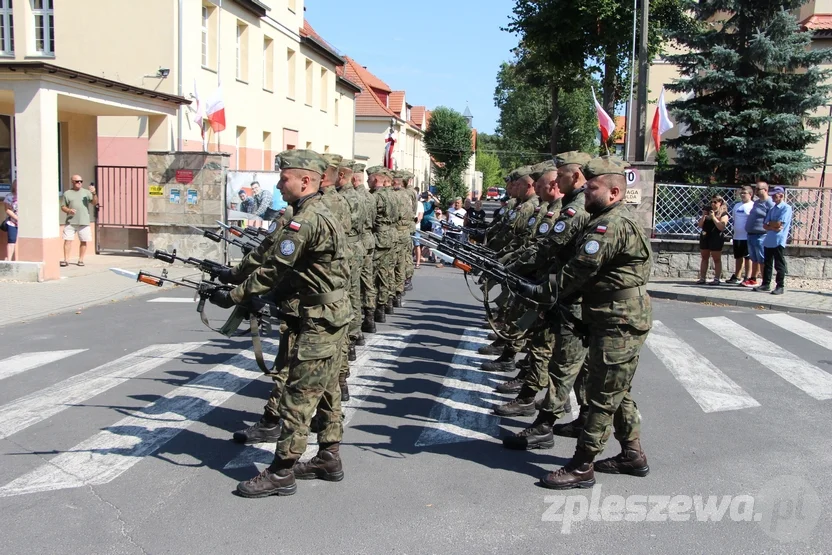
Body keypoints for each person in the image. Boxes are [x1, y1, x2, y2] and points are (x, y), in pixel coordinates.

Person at [210, 148, 350, 497]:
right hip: (331, 314)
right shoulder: (318, 210)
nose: (278, 183)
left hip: (319, 319)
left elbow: (274, 269)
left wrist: (234, 295)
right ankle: (328, 457)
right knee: (329, 389)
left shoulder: (305, 221)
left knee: (299, 395)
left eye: (284, 178)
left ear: (306, 181)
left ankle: (282, 471)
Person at [519, 155, 652, 490]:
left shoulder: (613, 224)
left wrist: (544, 290)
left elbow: (581, 268)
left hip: (619, 319)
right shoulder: (603, 218)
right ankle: (632, 454)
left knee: (601, 394)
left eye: (593, 188)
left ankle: (582, 465)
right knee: (614, 388)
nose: (587, 192)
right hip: (605, 314)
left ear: (615, 192)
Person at [757, 186, 792, 295]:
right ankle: (766, 284)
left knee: (779, 264)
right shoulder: (772, 209)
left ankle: (780, 286)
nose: (772, 197)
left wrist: (772, 224)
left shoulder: (786, 208)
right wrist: (773, 226)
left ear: (781, 195)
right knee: (767, 263)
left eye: (774, 195)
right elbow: (765, 225)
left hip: (778, 240)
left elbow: (779, 224)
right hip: (769, 240)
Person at [60, 175, 97, 267]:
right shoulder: (67, 193)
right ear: (72, 182)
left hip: (84, 221)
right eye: (77, 181)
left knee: (84, 241)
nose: (79, 183)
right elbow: (63, 206)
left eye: (81, 181)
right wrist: (69, 210)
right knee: (67, 240)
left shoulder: (86, 192)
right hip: (70, 221)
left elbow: (94, 203)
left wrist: (94, 193)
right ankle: (66, 260)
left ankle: (81, 260)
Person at [743, 181, 774, 288]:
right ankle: (753, 279)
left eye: (758, 189)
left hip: (761, 235)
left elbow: (773, 219)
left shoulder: (770, 203)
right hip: (751, 234)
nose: (756, 191)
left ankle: (765, 282)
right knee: (754, 258)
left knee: (762, 259)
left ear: (765, 190)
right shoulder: (756, 202)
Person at [696, 194, 729, 285]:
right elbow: (700, 225)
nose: (713, 204)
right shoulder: (707, 212)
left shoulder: (723, 214)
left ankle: (717, 278)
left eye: (715, 202)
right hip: (705, 236)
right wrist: (704, 216)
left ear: (720, 203)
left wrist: (714, 217)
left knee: (716, 258)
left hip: (716, 237)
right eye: (711, 202)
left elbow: (721, 227)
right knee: (704, 257)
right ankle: (702, 278)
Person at [727, 186, 754, 284]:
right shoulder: (737, 205)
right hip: (737, 236)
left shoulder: (752, 205)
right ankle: (737, 276)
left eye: (745, 193)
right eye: (741, 193)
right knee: (738, 257)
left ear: (750, 194)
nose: (742, 195)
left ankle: (747, 276)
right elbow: (734, 218)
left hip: (747, 236)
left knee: (748, 258)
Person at [2, 180, 18, 261]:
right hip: (13, 223)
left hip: (25, 223)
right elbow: (7, 209)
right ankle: (9, 260)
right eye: (16, 184)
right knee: (12, 241)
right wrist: (17, 218)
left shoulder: (26, 197)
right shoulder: (9, 197)